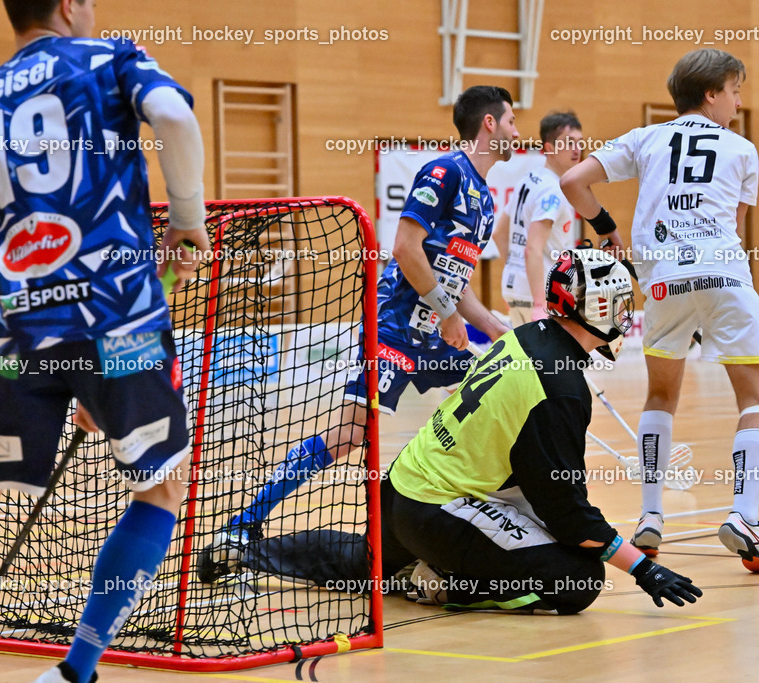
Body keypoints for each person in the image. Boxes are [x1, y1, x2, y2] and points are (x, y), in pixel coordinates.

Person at [0, 2, 210, 682]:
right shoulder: (111, 58)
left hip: (17, 329)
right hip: (118, 323)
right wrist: (187, 217)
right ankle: (76, 669)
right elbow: (173, 119)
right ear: (72, 4)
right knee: (162, 489)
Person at [212, 250, 702, 614]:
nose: (625, 316)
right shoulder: (563, 388)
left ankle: (246, 551)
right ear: (595, 309)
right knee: (579, 579)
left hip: (403, 485)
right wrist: (643, 567)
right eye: (619, 304)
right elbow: (569, 515)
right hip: (436, 512)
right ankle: (442, 581)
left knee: (362, 564)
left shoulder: (526, 335)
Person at [201, 86, 517, 578]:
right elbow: (406, 248)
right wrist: (448, 312)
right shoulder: (445, 172)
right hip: (393, 330)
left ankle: (448, 521)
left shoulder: (486, 202)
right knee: (350, 433)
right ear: (490, 125)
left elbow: (458, 283)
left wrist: (495, 328)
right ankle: (244, 522)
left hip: (433, 337)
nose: (519, 131)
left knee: (486, 396)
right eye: (512, 121)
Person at [560, 48, 759, 573]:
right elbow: (734, 221)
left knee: (661, 394)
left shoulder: (644, 138)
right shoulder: (744, 149)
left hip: (662, 284)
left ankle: (651, 515)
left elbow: (573, 183)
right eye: (734, 90)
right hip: (725, 276)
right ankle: (745, 516)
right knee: (757, 396)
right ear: (711, 94)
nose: (738, 100)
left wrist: (608, 227)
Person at [492, 111, 583, 326]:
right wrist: (540, 304)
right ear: (549, 148)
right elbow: (532, 248)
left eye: (579, 142)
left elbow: (498, 234)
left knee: (525, 359)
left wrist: (517, 276)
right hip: (543, 296)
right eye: (568, 143)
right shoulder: (553, 190)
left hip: (515, 290)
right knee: (551, 360)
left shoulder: (527, 180)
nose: (576, 149)